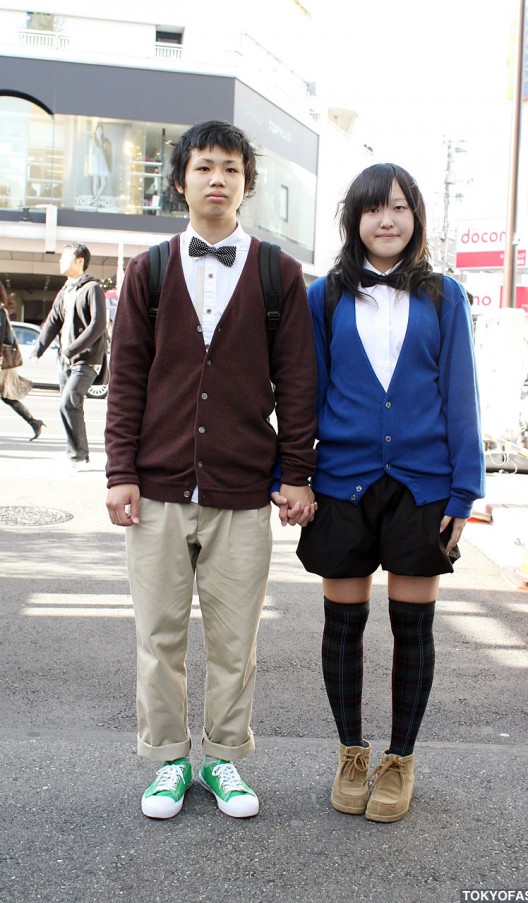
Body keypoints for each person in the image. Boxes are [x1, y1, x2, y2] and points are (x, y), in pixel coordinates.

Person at [105, 120, 317, 821]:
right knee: (157, 635)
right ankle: (169, 760)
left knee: (235, 639)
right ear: (181, 180)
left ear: (247, 184)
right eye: (204, 167)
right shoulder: (151, 269)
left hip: (242, 487)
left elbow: (297, 381)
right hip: (159, 486)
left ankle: (224, 758)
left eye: (230, 168)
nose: (217, 179)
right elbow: (127, 376)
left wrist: (297, 472)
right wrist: (119, 471)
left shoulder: (276, 272)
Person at [297, 162, 485, 823]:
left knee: (414, 627)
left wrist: (466, 489)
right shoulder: (323, 295)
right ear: (354, 219)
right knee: (343, 626)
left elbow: (460, 396)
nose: (387, 219)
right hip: (341, 483)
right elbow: (303, 393)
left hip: (422, 485)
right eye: (374, 208)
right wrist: (290, 474)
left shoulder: (445, 296)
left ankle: (400, 758)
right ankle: (351, 751)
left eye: (400, 207)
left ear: (417, 218)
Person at [31, 243, 107, 467]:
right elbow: (53, 322)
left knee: (68, 403)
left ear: (79, 260)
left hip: (87, 359)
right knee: (71, 406)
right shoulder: (66, 290)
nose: (60, 261)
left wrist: (73, 348)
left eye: (65, 257)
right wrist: (37, 350)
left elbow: (98, 325)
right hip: (65, 360)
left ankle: (77, 455)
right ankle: (76, 454)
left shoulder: (92, 289)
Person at [0, 283, 45, 440]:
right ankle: (34, 422)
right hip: (4, 362)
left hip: (2, 362)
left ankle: (34, 422)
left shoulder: (0, 311)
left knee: (7, 396)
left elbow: (1, 336)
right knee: (7, 396)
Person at [88, 122, 112, 201]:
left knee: (103, 182)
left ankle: (96, 197)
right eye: (98, 130)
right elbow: (90, 154)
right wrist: (91, 163)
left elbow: (106, 153)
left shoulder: (104, 141)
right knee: (95, 181)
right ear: (95, 131)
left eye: (101, 130)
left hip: (102, 163)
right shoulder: (92, 141)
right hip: (95, 162)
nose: (100, 131)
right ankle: (95, 198)